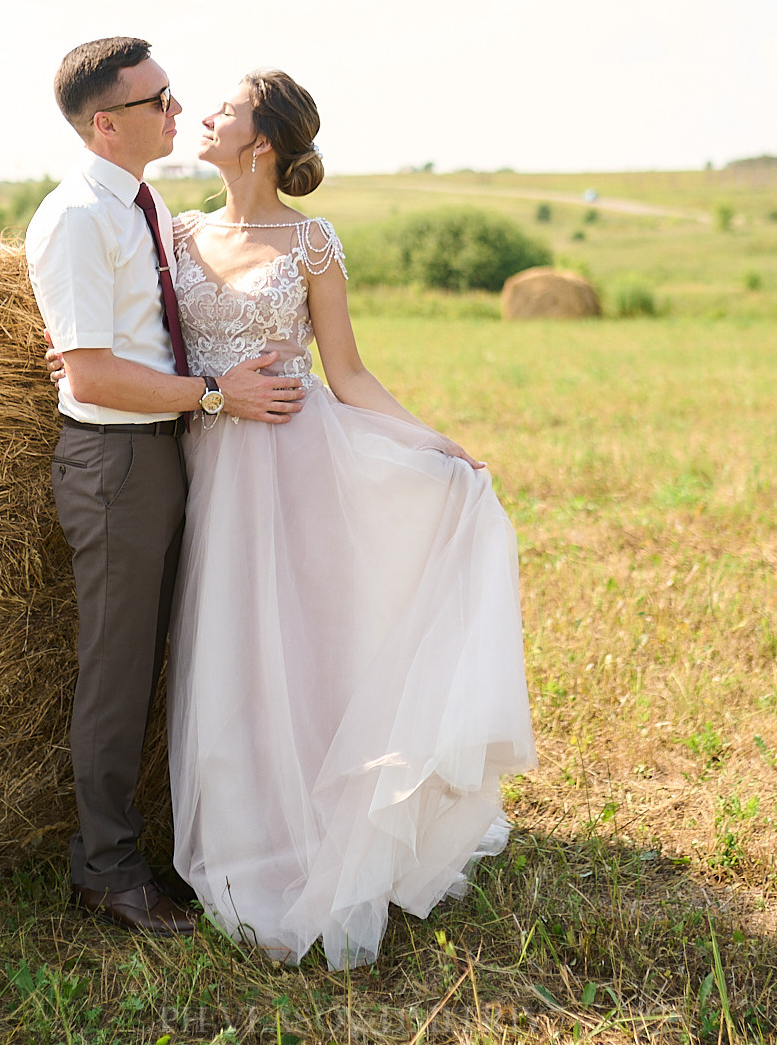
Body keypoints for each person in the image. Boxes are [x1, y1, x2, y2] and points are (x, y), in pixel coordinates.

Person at [158, 69, 536, 968]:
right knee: (221, 645)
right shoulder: (173, 234)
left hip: (294, 463)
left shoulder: (313, 243)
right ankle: (239, 818)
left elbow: (350, 374)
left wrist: (436, 444)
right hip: (203, 455)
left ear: (260, 143)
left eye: (224, 108)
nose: (203, 114)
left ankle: (312, 830)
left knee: (300, 645)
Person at [23, 37, 307, 938]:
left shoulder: (143, 206)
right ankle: (106, 869)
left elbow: (118, 338)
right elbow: (94, 377)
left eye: (176, 95)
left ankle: (190, 840)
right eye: (158, 101)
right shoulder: (78, 216)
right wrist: (220, 394)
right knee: (119, 669)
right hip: (117, 466)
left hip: (168, 452)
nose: (177, 111)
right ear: (105, 124)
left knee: (176, 654)